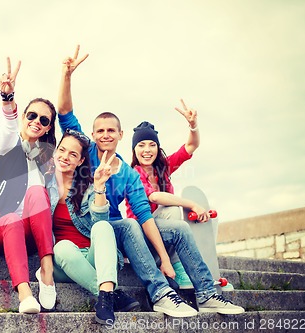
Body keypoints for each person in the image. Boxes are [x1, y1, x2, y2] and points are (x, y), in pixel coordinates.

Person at [56, 45, 245, 316]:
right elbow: (65, 113)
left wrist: (165, 260)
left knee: (177, 228)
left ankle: (206, 293)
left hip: (118, 230)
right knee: (130, 223)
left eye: (111, 130)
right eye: (100, 131)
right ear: (93, 134)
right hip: (96, 230)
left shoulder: (129, 174)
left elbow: (146, 216)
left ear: (121, 134)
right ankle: (161, 294)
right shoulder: (84, 154)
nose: (105, 135)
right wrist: (67, 75)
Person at [0, 58, 57, 314]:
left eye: (44, 120)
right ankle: (24, 293)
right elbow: (9, 125)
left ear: (48, 129)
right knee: (11, 217)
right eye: (32, 115)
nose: (37, 122)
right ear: (24, 116)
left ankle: (46, 270)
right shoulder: (8, 146)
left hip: (33, 234)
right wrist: (7, 96)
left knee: (37, 191)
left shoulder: (47, 163)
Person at [47, 129, 140, 325]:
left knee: (104, 227)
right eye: (62, 150)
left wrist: (99, 187)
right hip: (63, 263)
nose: (65, 157)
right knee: (62, 247)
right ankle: (111, 295)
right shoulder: (43, 185)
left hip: (94, 258)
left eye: (73, 154)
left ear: (80, 161)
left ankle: (105, 299)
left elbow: (99, 222)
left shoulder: (87, 187)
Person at [126, 113, 213, 288]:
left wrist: (193, 126)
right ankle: (176, 265)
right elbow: (155, 197)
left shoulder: (163, 168)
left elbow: (191, 145)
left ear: (158, 147)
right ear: (134, 149)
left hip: (163, 233)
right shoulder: (134, 173)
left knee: (177, 212)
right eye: (141, 145)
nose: (147, 150)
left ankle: (184, 265)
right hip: (142, 236)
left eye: (152, 145)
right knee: (173, 209)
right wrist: (192, 204)